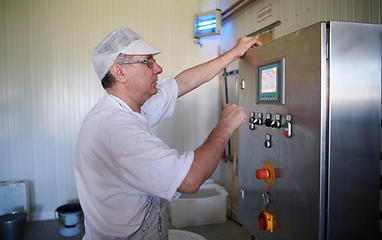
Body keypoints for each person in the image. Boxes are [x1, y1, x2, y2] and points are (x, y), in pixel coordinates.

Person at [74, 26, 261, 240]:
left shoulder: (130, 106)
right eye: (148, 61)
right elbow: (190, 179)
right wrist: (226, 126)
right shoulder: (116, 128)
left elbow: (183, 82)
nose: (158, 68)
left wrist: (233, 53)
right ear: (119, 72)